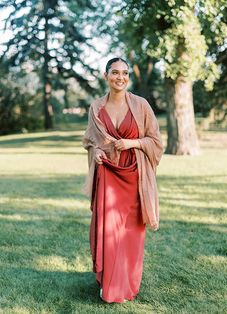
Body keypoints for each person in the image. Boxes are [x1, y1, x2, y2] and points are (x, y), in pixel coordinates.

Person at [82, 57, 164, 304]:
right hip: (108, 176)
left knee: (130, 233)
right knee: (109, 231)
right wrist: (96, 152)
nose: (121, 77)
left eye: (125, 73)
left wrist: (133, 142)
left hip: (135, 177)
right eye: (115, 72)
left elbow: (156, 142)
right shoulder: (96, 107)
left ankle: (127, 283)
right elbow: (90, 141)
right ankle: (109, 285)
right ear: (106, 75)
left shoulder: (141, 105)